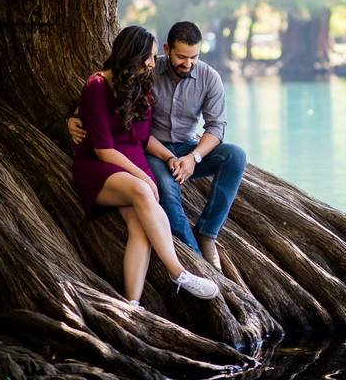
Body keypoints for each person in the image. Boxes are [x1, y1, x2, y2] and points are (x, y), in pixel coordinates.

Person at [70, 21, 246, 271]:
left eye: (194, 57)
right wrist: (72, 118)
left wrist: (193, 158)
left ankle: (207, 233)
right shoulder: (145, 69)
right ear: (167, 49)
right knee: (164, 187)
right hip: (152, 149)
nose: (188, 63)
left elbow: (216, 128)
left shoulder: (209, 78)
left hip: (188, 148)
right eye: (181, 57)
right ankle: (196, 260)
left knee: (235, 156)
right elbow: (105, 98)